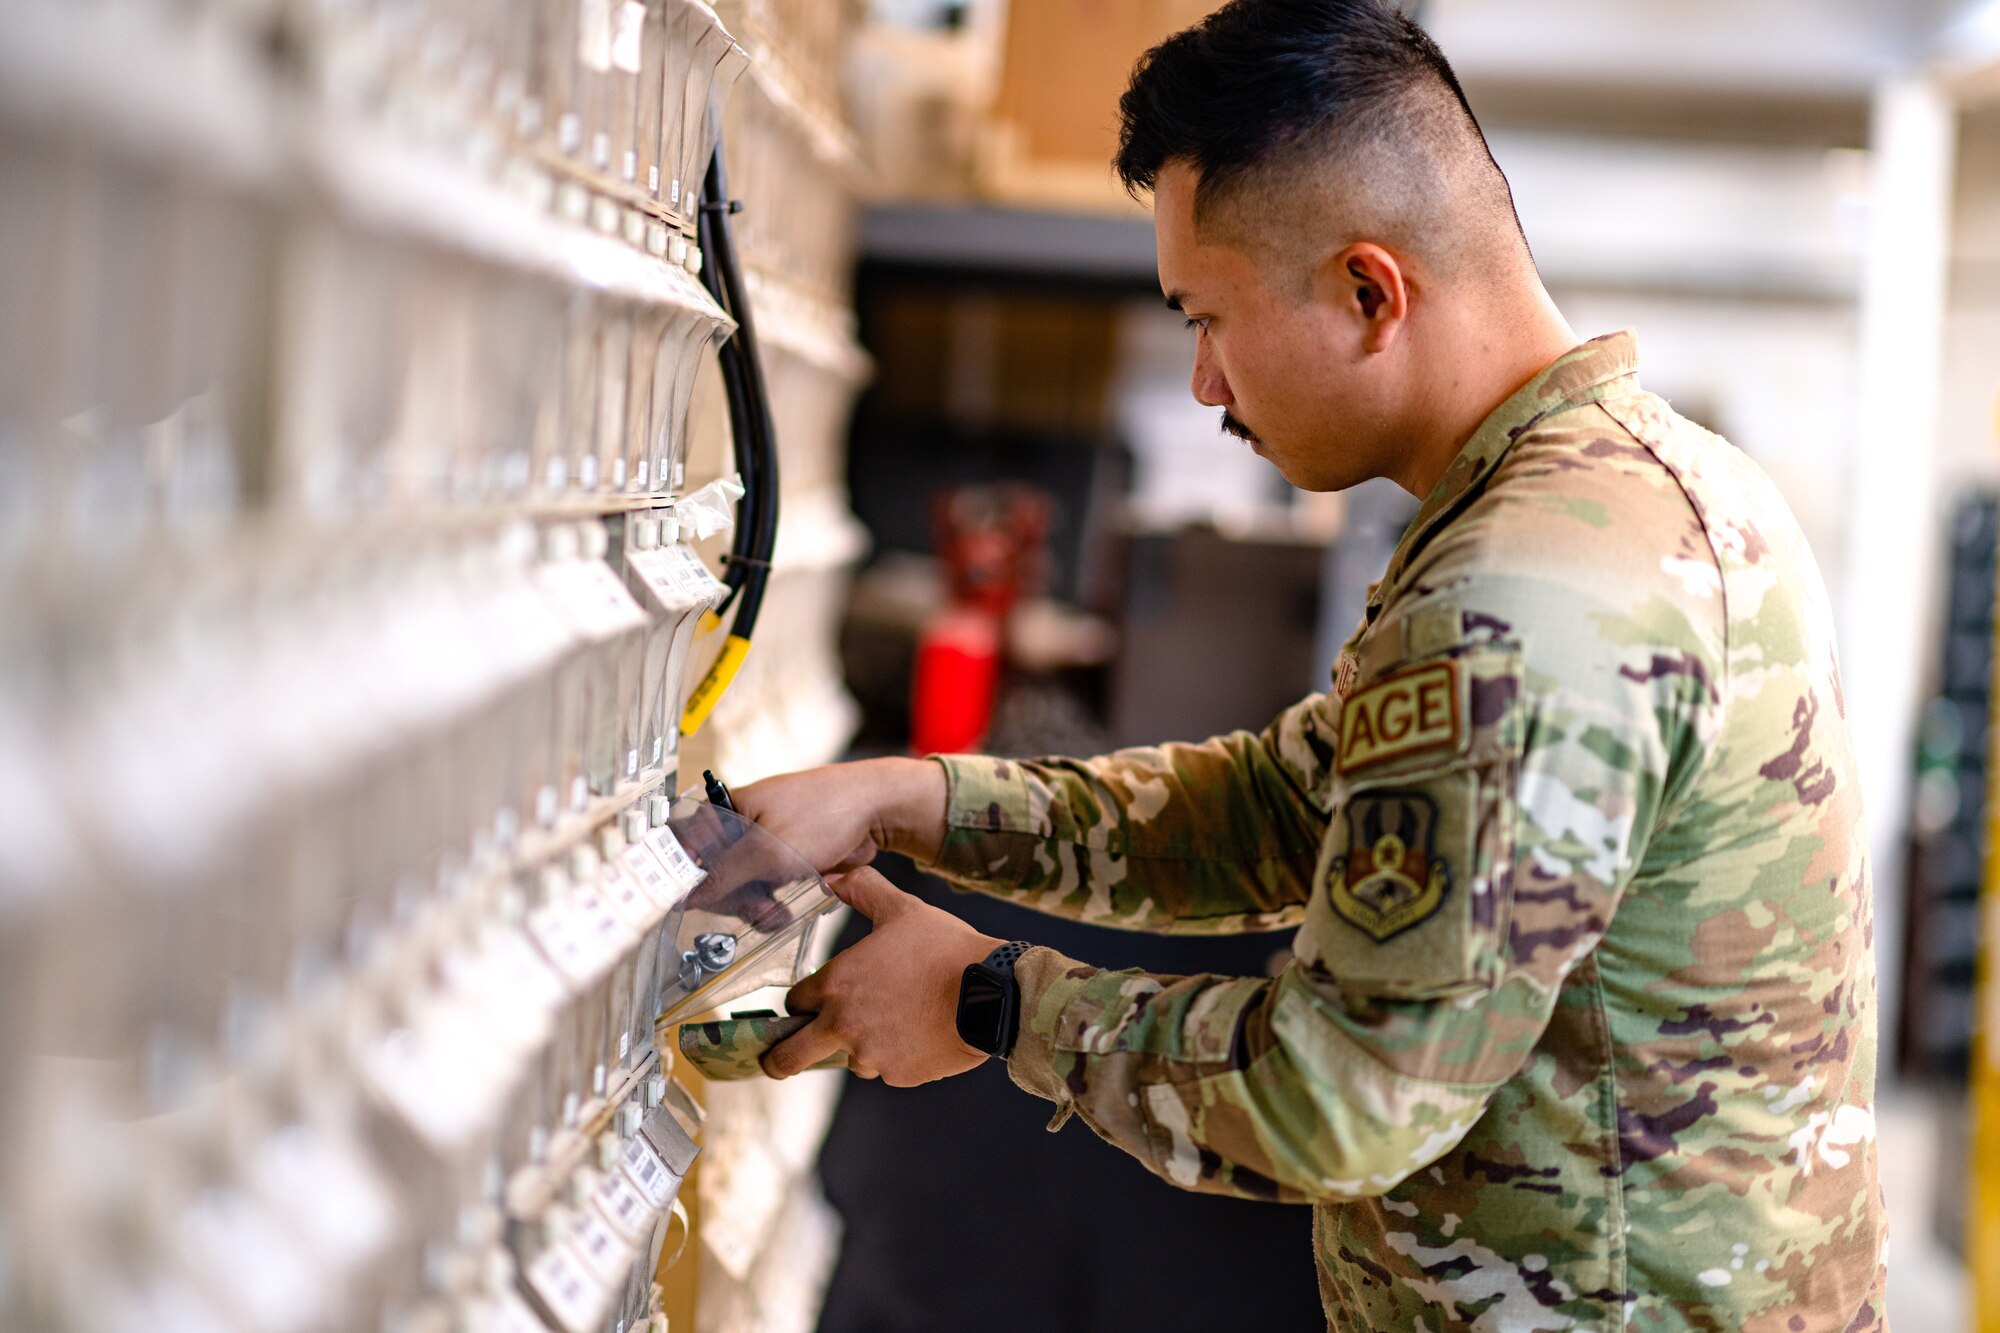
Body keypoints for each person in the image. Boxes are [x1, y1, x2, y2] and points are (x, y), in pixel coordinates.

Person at [734, 1, 1888, 1327]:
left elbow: (1341, 1098)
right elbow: (1284, 808)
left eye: (1209, 318)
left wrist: (991, 998)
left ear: (1366, 292)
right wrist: (911, 801)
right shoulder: (1632, 489)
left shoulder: (1528, 594)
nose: (1205, 384)